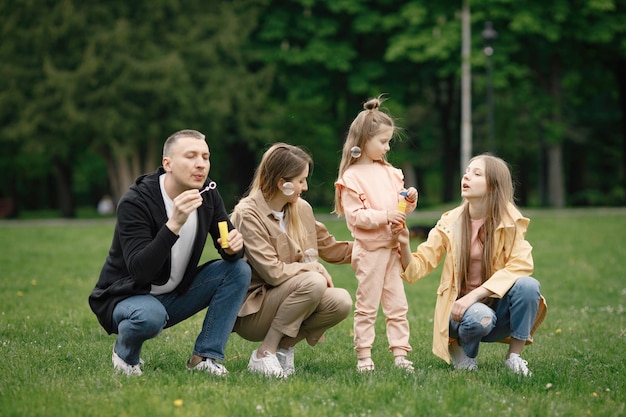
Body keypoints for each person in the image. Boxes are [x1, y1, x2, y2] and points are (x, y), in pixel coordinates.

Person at [88, 129, 251, 377]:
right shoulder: (136, 201)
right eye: (191, 156)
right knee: (149, 317)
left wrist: (234, 248)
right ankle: (126, 356)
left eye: (205, 157)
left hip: (175, 294)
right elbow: (140, 272)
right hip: (127, 297)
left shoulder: (207, 193)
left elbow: (228, 245)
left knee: (238, 270)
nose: (201, 164)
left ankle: (205, 357)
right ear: (168, 164)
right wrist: (173, 224)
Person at [396, 153, 547, 376]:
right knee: (480, 317)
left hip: (496, 309)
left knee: (528, 286)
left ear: (494, 187)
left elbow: (521, 265)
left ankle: (514, 358)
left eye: (476, 174)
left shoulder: (510, 221)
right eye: (467, 172)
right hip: (461, 315)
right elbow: (417, 268)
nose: (466, 177)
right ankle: (461, 350)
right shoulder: (450, 222)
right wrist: (405, 244)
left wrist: (474, 295)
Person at [230, 143, 353, 378]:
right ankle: (265, 352)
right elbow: (272, 273)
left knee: (341, 301)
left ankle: (283, 349)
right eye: (301, 181)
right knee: (314, 281)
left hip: (292, 298)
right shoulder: (247, 214)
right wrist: (311, 267)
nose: (304, 187)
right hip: (255, 309)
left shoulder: (300, 209)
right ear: (282, 183)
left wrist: (376, 249)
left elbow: (331, 247)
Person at [334, 96, 418, 373]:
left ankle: (400, 354)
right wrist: (384, 216)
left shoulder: (392, 173)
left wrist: (409, 200)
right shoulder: (351, 178)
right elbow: (356, 217)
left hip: (392, 249)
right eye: (382, 141)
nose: (387, 146)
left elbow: (399, 207)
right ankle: (364, 355)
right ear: (363, 139)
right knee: (367, 306)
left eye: (388, 141)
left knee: (397, 305)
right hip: (369, 252)